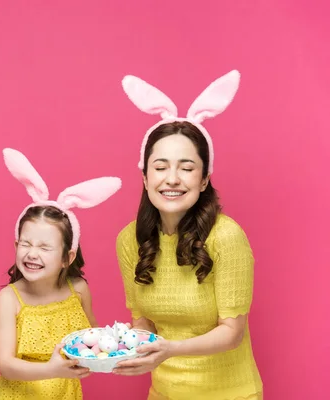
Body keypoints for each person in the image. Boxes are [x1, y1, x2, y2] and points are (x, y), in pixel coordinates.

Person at [113, 71, 263, 400]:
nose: (173, 179)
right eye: (161, 166)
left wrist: (170, 350)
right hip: (164, 393)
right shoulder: (130, 240)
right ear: (144, 175)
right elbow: (145, 325)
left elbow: (232, 333)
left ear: (204, 179)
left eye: (187, 167)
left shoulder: (226, 236)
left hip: (229, 394)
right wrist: (120, 347)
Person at [0, 148, 122, 399]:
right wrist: (50, 369)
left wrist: (118, 346)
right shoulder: (9, 299)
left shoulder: (77, 290)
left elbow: (92, 334)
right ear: (16, 245)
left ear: (67, 258)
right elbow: (6, 365)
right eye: (25, 244)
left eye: (45, 247)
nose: (32, 254)